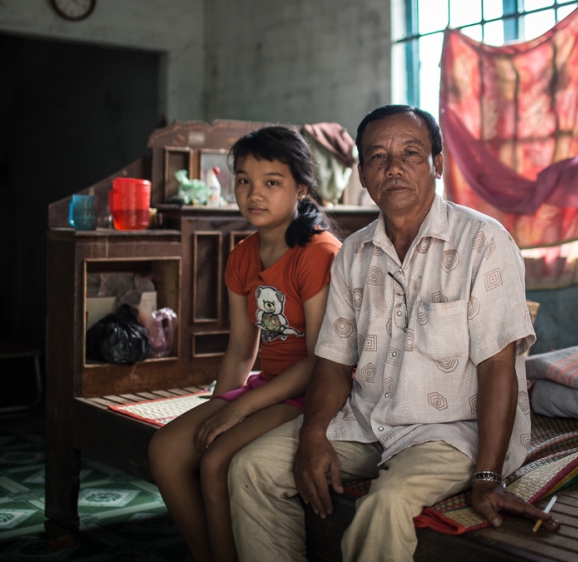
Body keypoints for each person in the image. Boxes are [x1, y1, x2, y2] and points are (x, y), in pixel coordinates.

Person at [228, 105, 560, 562]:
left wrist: (488, 477)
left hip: (451, 431)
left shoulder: (484, 241)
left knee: (384, 505)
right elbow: (334, 359)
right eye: (378, 157)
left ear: (437, 164)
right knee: (251, 469)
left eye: (411, 153)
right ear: (362, 173)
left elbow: (499, 365)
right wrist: (314, 434)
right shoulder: (354, 254)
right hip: (368, 421)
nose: (394, 168)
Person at [148, 126, 342, 562]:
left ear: (301, 187)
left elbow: (321, 360)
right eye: (243, 180)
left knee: (218, 460)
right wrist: (216, 409)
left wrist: (237, 411)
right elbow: (240, 350)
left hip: (315, 391)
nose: (255, 194)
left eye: (272, 182)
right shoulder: (241, 256)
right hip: (271, 385)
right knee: (167, 450)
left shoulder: (318, 253)